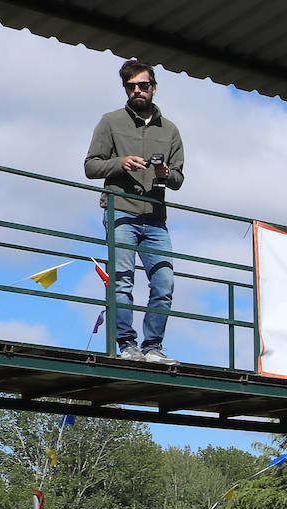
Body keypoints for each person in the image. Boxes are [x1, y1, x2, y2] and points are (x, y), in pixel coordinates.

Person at [84, 58, 184, 366]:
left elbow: (179, 179)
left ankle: (153, 346)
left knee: (164, 282)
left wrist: (166, 174)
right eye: (131, 87)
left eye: (143, 85)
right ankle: (127, 344)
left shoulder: (170, 130)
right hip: (121, 213)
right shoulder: (110, 121)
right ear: (126, 89)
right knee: (122, 281)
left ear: (154, 87)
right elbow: (90, 166)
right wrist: (120, 162)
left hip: (155, 218)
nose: (137, 91)